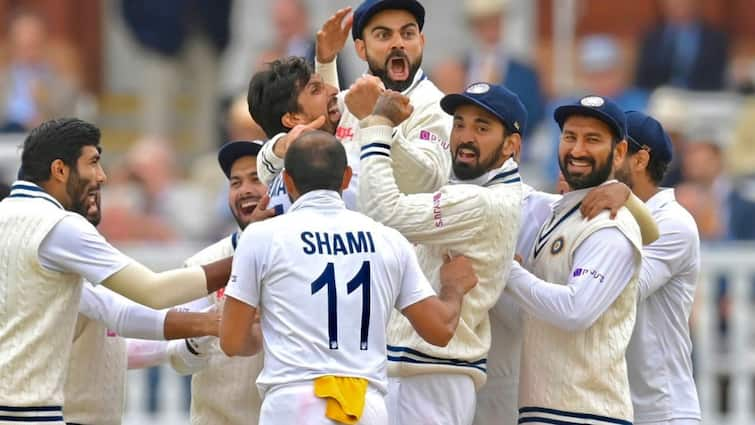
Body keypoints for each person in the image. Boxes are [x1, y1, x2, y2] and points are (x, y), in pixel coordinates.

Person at [220, 131, 478, 425]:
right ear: (345, 178)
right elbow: (440, 329)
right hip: (365, 406)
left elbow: (231, 342)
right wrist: (453, 287)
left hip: (293, 405)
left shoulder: (262, 236)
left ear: (288, 181)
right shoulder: (389, 240)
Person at [0, 118, 230, 421]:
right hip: (29, 413)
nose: (102, 176)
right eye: (93, 163)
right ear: (59, 170)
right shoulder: (60, 226)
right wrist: (248, 254)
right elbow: (154, 291)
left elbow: (113, 312)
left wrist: (206, 324)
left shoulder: (8, 215)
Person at [358, 83, 523, 424]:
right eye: (459, 124)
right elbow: (422, 180)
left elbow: (382, 212)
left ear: (511, 145)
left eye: (482, 128)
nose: (465, 137)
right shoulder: (482, 186)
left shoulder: (482, 202)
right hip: (418, 368)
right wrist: (382, 127)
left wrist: (377, 127)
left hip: (433, 373)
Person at [505, 96, 644, 425]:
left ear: (620, 152)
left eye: (592, 139)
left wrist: (506, 270)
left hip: (586, 413)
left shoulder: (611, 224)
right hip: (546, 410)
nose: (577, 150)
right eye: (570, 137)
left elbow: (575, 310)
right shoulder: (560, 212)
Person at [257, 0, 451, 198]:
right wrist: (282, 145)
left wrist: (376, 122)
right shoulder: (353, 99)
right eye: (383, 35)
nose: (398, 43)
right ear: (361, 49)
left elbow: (429, 183)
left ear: (422, 41)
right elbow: (264, 172)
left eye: (408, 34)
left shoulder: (434, 106)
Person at [63, 190, 222, 425]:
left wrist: (176, 347)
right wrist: (204, 322)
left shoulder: (89, 271)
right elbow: (129, 309)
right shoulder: (67, 275)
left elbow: (114, 345)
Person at [163, 140, 275, 425]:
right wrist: (211, 325)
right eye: (235, 182)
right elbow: (179, 360)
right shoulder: (204, 263)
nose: (245, 189)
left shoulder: (306, 255)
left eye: (256, 179)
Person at [615, 111, 702, 425]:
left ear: (639, 160)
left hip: (664, 412)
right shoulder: (605, 212)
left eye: (613, 149)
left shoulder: (675, 223)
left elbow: (623, 293)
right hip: (615, 408)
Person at [634, 0, 728, 91]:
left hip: (700, 99)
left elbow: (717, 79)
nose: (679, 4)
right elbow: (642, 78)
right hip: (659, 98)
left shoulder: (716, 38)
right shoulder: (652, 36)